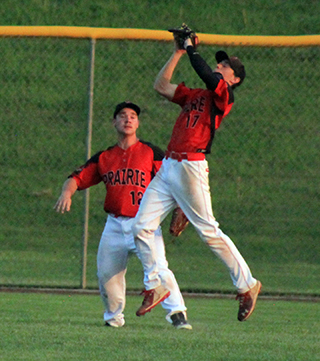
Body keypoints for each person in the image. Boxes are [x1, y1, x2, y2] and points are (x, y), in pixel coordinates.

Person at [132, 36, 262, 322]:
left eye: (227, 65)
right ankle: (158, 284)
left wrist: (191, 48)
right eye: (221, 61)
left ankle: (247, 284)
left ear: (235, 79)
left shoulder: (223, 95)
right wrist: (178, 52)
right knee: (141, 226)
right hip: (169, 166)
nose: (220, 64)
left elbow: (206, 72)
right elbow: (161, 86)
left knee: (209, 231)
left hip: (191, 166)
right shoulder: (195, 95)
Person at [54, 101, 192, 330]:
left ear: (138, 123)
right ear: (114, 122)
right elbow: (77, 177)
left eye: (132, 116)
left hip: (145, 224)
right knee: (107, 274)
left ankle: (177, 314)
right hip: (115, 225)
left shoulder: (151, 152)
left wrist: (180, 206)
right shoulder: (105, 157)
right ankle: (114, 318)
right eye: (122, 116)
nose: (128, 119)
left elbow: (173, 180)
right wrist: (66, 193)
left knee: (158, 268)